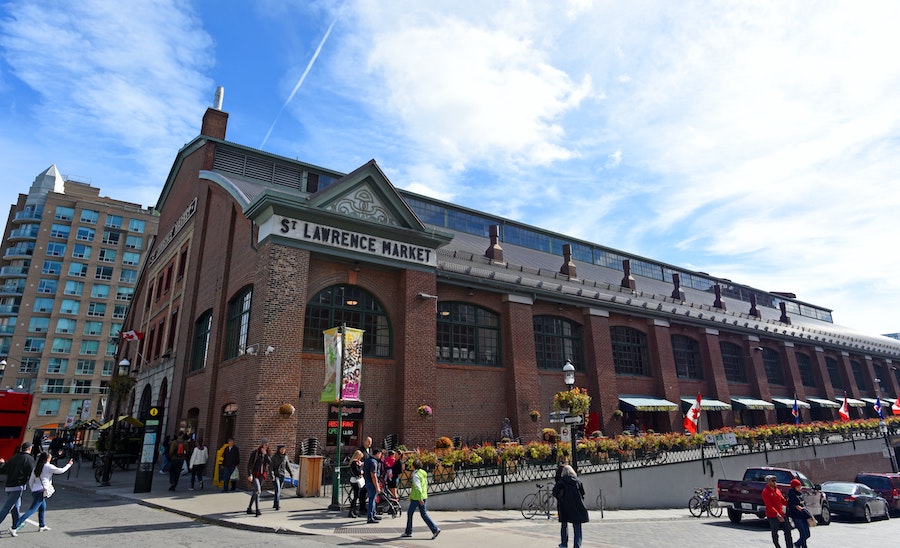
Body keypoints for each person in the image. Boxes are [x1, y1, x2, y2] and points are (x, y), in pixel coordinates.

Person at [9, 451, 72, 535]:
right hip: (41, 491)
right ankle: (14, 527)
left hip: (36, 490)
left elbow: (31, 480)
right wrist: (69, 464)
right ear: (48, 458)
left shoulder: (37, 467)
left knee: (42, 507)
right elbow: (61, 470)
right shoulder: (48, 466)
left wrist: (33, 489)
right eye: (50, 457)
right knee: (32, 510)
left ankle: (42, 525)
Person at [401, 459, 440, 539]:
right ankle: (435, 529)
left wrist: (419, 498)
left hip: (417, 497)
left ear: (414, 466)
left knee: (410, 513)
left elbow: (418, 487)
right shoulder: (423, 473)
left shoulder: (416, 475)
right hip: (423, 496)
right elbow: (425, 485)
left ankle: (408, 532)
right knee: (423, 514)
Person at [0, 442, 35, 532]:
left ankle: (17, 524)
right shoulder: (29, 459)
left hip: (9, 485)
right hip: (18, 486)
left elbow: (3, 470)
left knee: (16, 506)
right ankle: (17, 523)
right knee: (8, 507)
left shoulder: (13, 457)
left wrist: (2, 464)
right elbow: (32, 473)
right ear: (29, 449)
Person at [553, 464, 589, 548]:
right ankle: (577, 545)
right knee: (577, 525)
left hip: (564, 506)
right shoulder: (577, 481)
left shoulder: (561, 481)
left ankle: (564, 544)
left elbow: (555, 492)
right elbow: (582, 493)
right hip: (577, 506)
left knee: (564, 524)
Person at [762, 475, 792, 548]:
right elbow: (769, 506)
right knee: (775, 532)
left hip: (782, 514)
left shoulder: (777, 490)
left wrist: (791, 503)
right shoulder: (765, 492)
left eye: (775, 480)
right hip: (773, 516)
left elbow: (782, 500)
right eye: (773, 481)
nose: (775, 482)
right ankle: (777, 546)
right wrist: (777, 515)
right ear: (768, 482)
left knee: (788, 531)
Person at [246, 438, 270, 516]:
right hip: (255, 474)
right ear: (262, 444)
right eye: (265, 444)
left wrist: (265, 454)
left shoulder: (267, 453)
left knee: (255, 492)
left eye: (267, 445)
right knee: (258, 490)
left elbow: (270, 462)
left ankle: (249, 508)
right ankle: (257, 510)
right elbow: (249, 464)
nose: (267, 446)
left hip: (262, 475)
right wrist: (249, 474)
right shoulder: (255, 453)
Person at [787, 478, 810, 548]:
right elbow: (790, 504)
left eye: (800, 486)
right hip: (797, 516)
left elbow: (803, 503)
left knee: (807, 534)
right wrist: (796, 506)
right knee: (803, 533)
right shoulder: (791, 494)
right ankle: (802, 546)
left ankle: (797, 544)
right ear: (794, 487)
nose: (800, 488)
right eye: (798, 487)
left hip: (803, 515)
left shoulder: (800, 494)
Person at [363, 447, 384, 524]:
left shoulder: (368, 460)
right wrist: (377, 486)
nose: (380, 456)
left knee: (373, 499)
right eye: (380, 454)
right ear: (377, 454)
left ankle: (373, 514)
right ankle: (370, 517)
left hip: (367, 481)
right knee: (372, 500)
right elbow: (373, 475)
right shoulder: (374, 462)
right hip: (372, 483)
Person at [269, 444, 290, 511]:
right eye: (281, 449)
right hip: (276, 475)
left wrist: (291, 474)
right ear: (278, 450)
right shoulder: (274, 457)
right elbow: (270, 467)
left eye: (284, 449)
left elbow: (287, 466)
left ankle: (275, 503)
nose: (283, 451)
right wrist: (272, 475)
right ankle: (277, 505)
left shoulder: (285, 457)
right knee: (277, 489)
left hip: (282, 475)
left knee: (278, 490)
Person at [347, 450, 364, 518]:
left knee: (356, 496)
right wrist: (362, 471)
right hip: (355, 481)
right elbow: (357, 472)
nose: (360, 459)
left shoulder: (355, 462)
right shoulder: (354, 462)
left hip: (355, 480)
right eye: (360, 457)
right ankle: (351, 510)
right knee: (356, 496)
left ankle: (353, 510)